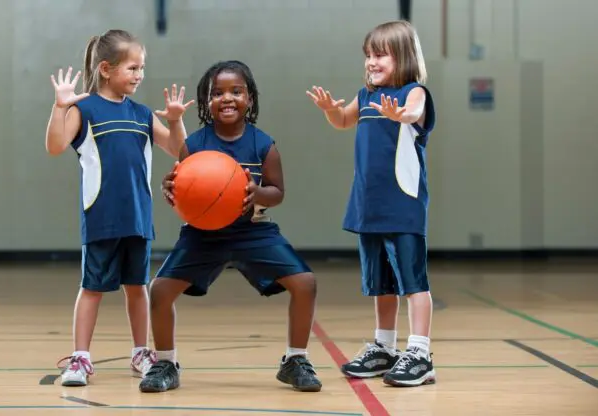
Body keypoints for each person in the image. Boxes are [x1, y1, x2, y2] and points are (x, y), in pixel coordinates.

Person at [138, 60, 322, 393]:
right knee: (160, 290)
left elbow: (278, 192)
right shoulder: (193, 145)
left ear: (249, 99)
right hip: (203, 234)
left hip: (252, 231)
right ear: (207, 102)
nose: (227, 98)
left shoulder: (264, 144)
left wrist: (257, 193)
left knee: (305, 283)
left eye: (236, 91)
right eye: (218, 93)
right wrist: (172, 190)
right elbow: (181, 189)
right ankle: (165, 362)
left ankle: (296, 359)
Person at [45, 29, 194, 387]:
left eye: (142, 68)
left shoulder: (141, 113)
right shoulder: (84, 109)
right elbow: (54, 145)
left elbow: (181, 152)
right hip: (101, 217)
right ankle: (80, 357)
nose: (139, 75)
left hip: (138, 218)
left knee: (137, 287)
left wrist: (175, 120)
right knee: (92, 287)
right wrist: (60, 105)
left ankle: (141, 351)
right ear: (107, 69)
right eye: (133, 68)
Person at [306, 20, 437, 387]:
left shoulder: (414, 92)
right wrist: (330, 109)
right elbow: (343, 121)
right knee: (381, 284)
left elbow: (414, 111)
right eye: (368, 55)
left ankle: (420, 352)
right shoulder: (364, 97)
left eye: (380, 55)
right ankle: (384, 346)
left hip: (403, 207)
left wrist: (402, 116)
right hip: (368, 207)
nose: (371, 62)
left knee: (413, 283)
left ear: (404, 57)